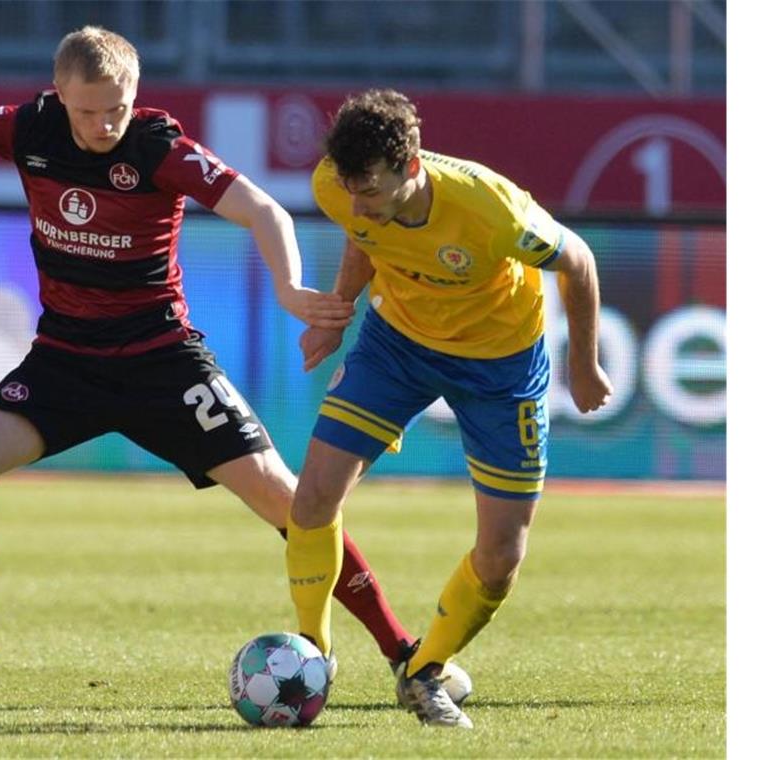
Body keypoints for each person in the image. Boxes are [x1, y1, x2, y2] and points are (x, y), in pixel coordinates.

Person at [0, 28, 467, 721]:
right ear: (58, 94)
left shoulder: (160, 148)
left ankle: (404, 653)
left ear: (135, 94)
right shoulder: (28, 128)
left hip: (162, 360)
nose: (102, 124)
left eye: (116, 108)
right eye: (88, 110)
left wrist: (287, 288)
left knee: (292, 505)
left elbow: (262, 208)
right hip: (65, 361)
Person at [283, 89, 613, 729]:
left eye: (371, 189)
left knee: (501, 552)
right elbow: (363, 235)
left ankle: (424, 671)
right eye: (350, 188)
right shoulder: (338, 184)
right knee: (314, 495)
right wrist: (340, 312)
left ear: (411, 169)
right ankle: (312, 658)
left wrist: (583, 362)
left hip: (501, 364)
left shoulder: (489, 208)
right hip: (397, 343)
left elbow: (578, 259)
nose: (356, 202)